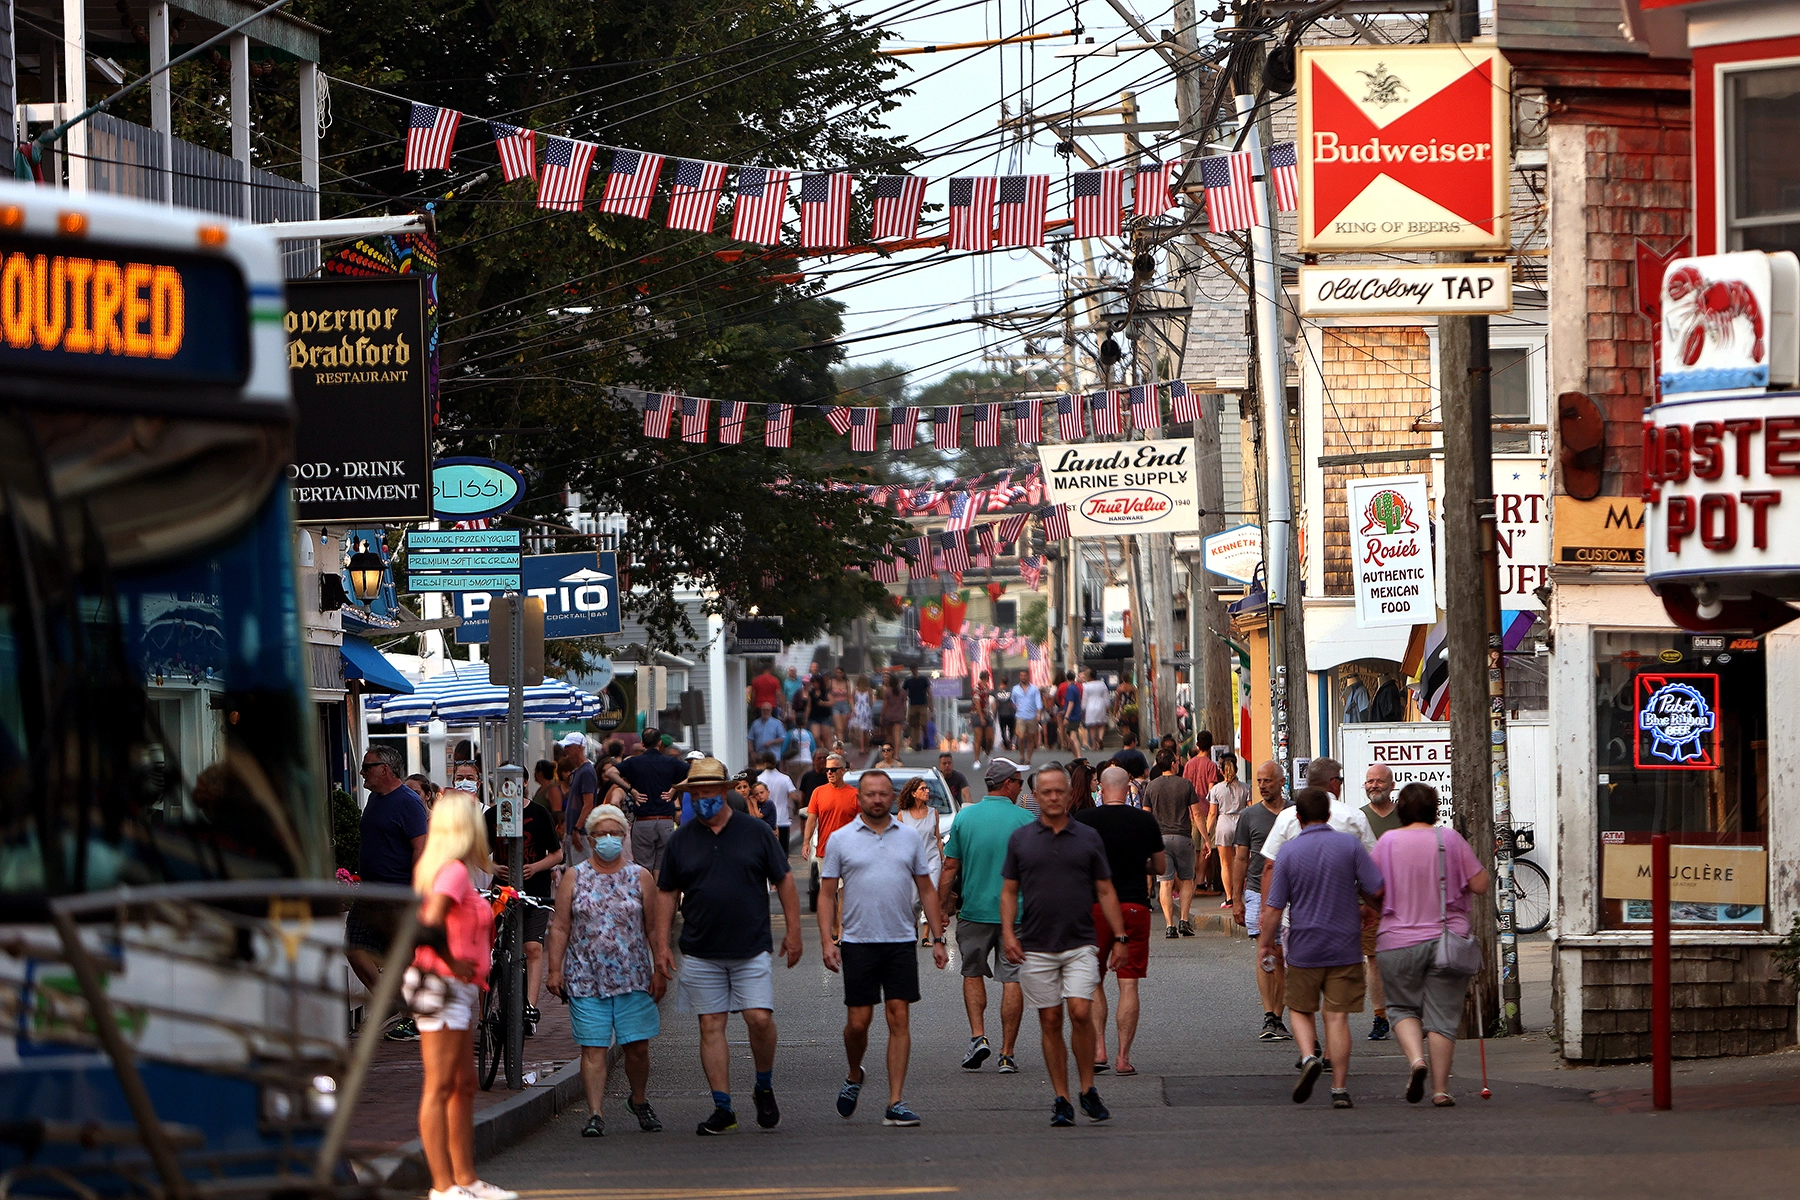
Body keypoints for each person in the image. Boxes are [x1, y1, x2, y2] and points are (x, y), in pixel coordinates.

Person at [652, 756, 802, 1135]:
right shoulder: (681, 840)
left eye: (709, 793)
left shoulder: (755, 832)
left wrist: (794, 931)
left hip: (751, 946)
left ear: (722, 792)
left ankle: (763, 1085)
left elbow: (784, 880)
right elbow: (667, 893)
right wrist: (661, 944)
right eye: (696, 794)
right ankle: (723, 1107)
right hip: (701, 949)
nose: (703, 800)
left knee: (759, 1018)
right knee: (711, 1025)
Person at [819, 771, 950, 1127]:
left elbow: (926, 889)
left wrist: (937, 938)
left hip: (899, 940)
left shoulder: (908, 838)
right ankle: (853, 1073)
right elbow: (826, 893)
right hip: (859, 942)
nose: (876, 800)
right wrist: (827, 941)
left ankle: (896, 1101)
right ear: (858, 798)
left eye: (882, 794)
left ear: (891, 797)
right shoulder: (841, 839)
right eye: (869, 794)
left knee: (899, 1016)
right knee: (858, 1023)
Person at [1000, 764, 1127, 1128]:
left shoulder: (1088, 837)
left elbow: (1105, 889)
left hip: (1080, 942)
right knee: (1050, 1019)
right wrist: (1009, 933)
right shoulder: (1021, 839)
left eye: (1060, 792)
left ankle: (1088, 1088)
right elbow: (1009, 890)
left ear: (1070, 795)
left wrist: (1120, 937)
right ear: (1036, 797)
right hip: (1036, 945)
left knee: (1081, 1012)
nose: (1054, 798)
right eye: (1046, 792)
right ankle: (1062, 1097)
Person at [408, 794, 516, 1200]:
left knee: (463, 1083)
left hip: (454, 986)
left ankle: (464, 1179)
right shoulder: (452, 871)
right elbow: (431, 924)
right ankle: (444, 1185)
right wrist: (454, 962)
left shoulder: (451, 871)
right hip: (442, 983)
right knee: (442, 1085)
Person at [1258, 788, 1385, 1110]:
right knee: (1337, 1018)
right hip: (1345, 944)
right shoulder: (1350, 845)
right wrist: (1372, 907)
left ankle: (1308, 1055)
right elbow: (1377, 888)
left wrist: (1266, 945)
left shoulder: (1288, 852)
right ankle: (1339, 1088)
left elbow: (1274, 908)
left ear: (1297, 818)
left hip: (1304, 945)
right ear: (1328, 815)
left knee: (1300, 1008)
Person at [547, 804, 665, 1138]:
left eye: (615, 833)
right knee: (593, 1047)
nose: (609, 839)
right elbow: (560, 927)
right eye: (601, 834)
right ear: (590, 838)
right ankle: (595, 1112)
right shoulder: (575, 876)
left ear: (625, 836)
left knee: (637, 1048)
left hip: (634, 976)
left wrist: (660, 968)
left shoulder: (639, 875)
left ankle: (639, 1100)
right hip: (586, 976)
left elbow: (654, 928)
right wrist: (555, 970)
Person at [1371, 782, 1490, 1108]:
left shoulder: (1387, 842)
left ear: (1401, 809)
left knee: (1400, 1008)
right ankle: (1440, 1090)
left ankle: (1416, 1061)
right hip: (1446, 942)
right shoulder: (1449, 839)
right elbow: (1480, 884)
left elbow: (1372, 888)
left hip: (1396, 942)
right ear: (1435, 808)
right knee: (1442, 1018)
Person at [936, 758, 1036, 1074]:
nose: (1021, 787)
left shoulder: (966, 819)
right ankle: (1007, 1053)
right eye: (1019, 782)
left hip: (974, 911)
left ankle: (978, 1036)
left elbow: (950, 867)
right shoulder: (1025, 820)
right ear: (1007, 784)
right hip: (1016, 916)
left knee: (972, 971)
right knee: (1012, 979)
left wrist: (939, 909)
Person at [1075, 766, 1165, 1077]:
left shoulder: (1084, 820)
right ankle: (1123, 1057)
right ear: (1129, 788)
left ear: (1100, 787)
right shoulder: (1144, 820)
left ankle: (1098, 1048)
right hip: (1135, 906)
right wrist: (1140, 862)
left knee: (1095, 980)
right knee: (1128, 984)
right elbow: (1161, 865)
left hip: (1095, 907)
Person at [347, 745, 429, 1040]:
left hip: (396, 891)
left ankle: (413, 1017)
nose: (362, 773)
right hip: (369, 890)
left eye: (367, 767)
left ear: (386, 769)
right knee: (354, 949)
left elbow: (421, 847)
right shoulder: (373, 799)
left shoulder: (408, 802)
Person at [484, 778, 563, 1036]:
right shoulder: (492, 815)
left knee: (532, 946)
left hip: (536, 891)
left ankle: (528, 1009)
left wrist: (535, 868)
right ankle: (487, 1010)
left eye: (515, 782)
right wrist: (494, 868)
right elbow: (477, 852)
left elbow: (556, 853)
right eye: (503, 781)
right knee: (492, 949)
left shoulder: (539, 814)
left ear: (525, 783)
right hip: (502, 893)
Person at [1233, 760, 1291, 1042]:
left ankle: (1279, 1016)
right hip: (1257, 890)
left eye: (1267, 780)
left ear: (1282, 781)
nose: (1262, 786)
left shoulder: (1294, 813)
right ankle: (1269, 1014)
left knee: (1282, 955)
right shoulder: (1249, 816)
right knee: (1266, 950)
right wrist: (1236, 898)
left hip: (1291, 892)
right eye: (1258, 781)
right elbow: (1241, 858)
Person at [1359, 764, 1402, 1040]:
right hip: (1370, 903)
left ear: (1391, 785)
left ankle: (1409, 1013)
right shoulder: (1358, 818)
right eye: (1369, 781)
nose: (1374, 785)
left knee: (1405, 959)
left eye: (1380, 781)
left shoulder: (1406, 816)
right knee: (1373, 959)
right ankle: (1380, 1016)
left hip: (1405, 900)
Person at [1143, 756, 1206, 937]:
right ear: (1172, 764)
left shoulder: (1152, 786)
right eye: (1177, 761)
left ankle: (1169, 925)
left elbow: (1146, 816)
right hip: (1182, 837)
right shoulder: (1185, 785)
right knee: (1187, 880)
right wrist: (1206, 839)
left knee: (1165, 882)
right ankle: (1184, 921)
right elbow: (1197, 814)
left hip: (1160, 840)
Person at [617, 730, 687, 874]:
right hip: (665, 820)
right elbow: (695, 772)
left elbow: (610, 772)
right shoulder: (671, 762)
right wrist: (675, 789)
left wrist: (631, 790)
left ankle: (647, 894)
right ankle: (659, 895)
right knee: (662, 867)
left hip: (643, 821)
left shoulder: (633, 762)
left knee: (643, 867)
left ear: (642, 743)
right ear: (660, 742)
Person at [893, 778, 943, 942]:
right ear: (913, 793)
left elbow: (937, 838)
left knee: (932, 893)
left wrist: (942, 858)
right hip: (912, 862)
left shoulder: (933, 813)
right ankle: (912, 925)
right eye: (922, 789)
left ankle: (927, 935)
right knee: (914, 900)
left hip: (932, 859)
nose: (927, 791)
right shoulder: (903, 815)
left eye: (927, 788)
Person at [1208, 754, 1251, 908]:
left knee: (1225, 864)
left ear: (1221, 771)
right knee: (1240, 861)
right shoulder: (1246, 787)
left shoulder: (1216, 789)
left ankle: (1229, 897)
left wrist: (1207, 833)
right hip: (1241, 823)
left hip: (1224, 823)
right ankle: (1239, 894)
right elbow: (1250, 809)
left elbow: (1213, 813)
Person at [801, 754, 860, 867]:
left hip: (848, 854)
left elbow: (862, 824)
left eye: (833, 769)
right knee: (827, 885)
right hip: (825, 852)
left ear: (842, 770)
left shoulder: (855, 795)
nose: (829, 773)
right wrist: (806, 842)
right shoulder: (818, 792)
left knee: (845, 885)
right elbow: (811, 820)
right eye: (827, 770)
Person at [560, 733, 599, 862]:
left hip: (580, 832)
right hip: (574, 830)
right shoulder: (578, 771)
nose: (566, 749)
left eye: (569, 746)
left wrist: (577, 828)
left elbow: (588, 803)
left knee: (580, 871)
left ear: (580, 747)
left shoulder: (586, 771)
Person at [755, 753, 797, 855]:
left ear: (763, 762)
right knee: (783, 851)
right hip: (783, 819)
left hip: (766, 820)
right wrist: (796, 808)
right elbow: (794, 796)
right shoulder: (785, 778)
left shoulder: (759, 779)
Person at [1010, 670, 1042, 762]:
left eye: (1024, 675)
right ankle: (1021, 755)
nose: (1023, 677)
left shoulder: (1034, 689)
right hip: (1020, 715)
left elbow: (1038, 701)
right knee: (1021, 737)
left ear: (1028, 676)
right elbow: (1012, 700)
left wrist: (1038, 713)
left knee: (1031, 737)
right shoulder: (1015, 689)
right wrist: (1014, 706)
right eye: (1021, 675)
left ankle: (1029, 758)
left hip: (1032, 716)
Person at [903, 666, 933, 750]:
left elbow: (929, 692)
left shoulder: (923, 679)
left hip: (923, 704)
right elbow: (904, 692)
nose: (913, 671)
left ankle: (925, 738)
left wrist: (931, 705)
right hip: (912, 704)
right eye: (912, 669)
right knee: (914, 725)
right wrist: (904, 704)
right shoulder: (908, 680)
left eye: (914, 669)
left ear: (917, 669)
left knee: (923, 723)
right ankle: (917, 743)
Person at [1080, 670, 1110, 749]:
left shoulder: (1086, 686)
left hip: (1090, 706)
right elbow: (1106, 697)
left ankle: (1094, 744)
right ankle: (1100, 738)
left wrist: (1083, 709)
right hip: (1101, 705)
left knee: (1092, 726)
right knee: (1101, 724)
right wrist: (1107, 707)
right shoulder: (1102, 684)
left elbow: (1084, 699)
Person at [880, 674, 909, 754]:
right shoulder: (903, 692)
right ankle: (896, 754)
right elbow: (904, 705)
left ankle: (888, 753)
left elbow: (885, 705)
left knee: (889, 735)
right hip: (899, 716)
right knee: (897, 736)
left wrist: (882, 715)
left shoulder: (887, 692)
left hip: (889, 716)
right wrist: (905, 715)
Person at [971, 671, 994, 766]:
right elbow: (977, 703)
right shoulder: (977, 688)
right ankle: (976, 760)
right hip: (977, 714)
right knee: (978, 737)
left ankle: (987, 753)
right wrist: (981, 717)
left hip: (987, 713)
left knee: (990, 737)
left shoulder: (986, 688)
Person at [849, 675, 874, 754]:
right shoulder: (869, 690)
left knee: (860, 730)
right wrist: (868, 708)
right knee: (866, 730)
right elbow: (871, 702)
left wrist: (853, 708)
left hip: (858, 709)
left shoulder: (855, 690)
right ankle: (866, 747)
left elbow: (851, 699)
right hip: (866, 710)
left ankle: (862, 748)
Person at [829, 667, 853, 746]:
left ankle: (838, 743)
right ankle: (840, 747)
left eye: (840, 673)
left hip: (844, 704)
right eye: (837, 672)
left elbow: (849, 696)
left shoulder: (846, 682)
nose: (838, 674)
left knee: (842, 728)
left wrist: (853, 708)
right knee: (839, 728)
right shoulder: (831, 682)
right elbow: (828, 693)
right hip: (835, 705)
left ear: (843, 674)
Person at [995, 683, 1016, 752]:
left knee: (1003, 730)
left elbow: (996, 704)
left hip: (1002, 714)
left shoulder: (997, 693)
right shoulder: (1011, 692)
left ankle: (1005, 742)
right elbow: (1013, 703)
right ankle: (1009, 741)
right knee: (1011, 730)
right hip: (1010, 714)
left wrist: (995, 713)